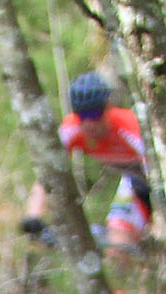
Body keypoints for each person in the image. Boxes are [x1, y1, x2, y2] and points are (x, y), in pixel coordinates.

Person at [22, 70, 151, 254]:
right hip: (134, 182)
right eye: (82, 116)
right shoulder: (71, 129)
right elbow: (47, 174)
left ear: (108, 107)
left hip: (160, 178)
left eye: (95, 114)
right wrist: (33, 216)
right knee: (117, 244)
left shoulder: (129, 126)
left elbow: (162, 168)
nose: (89, 123)